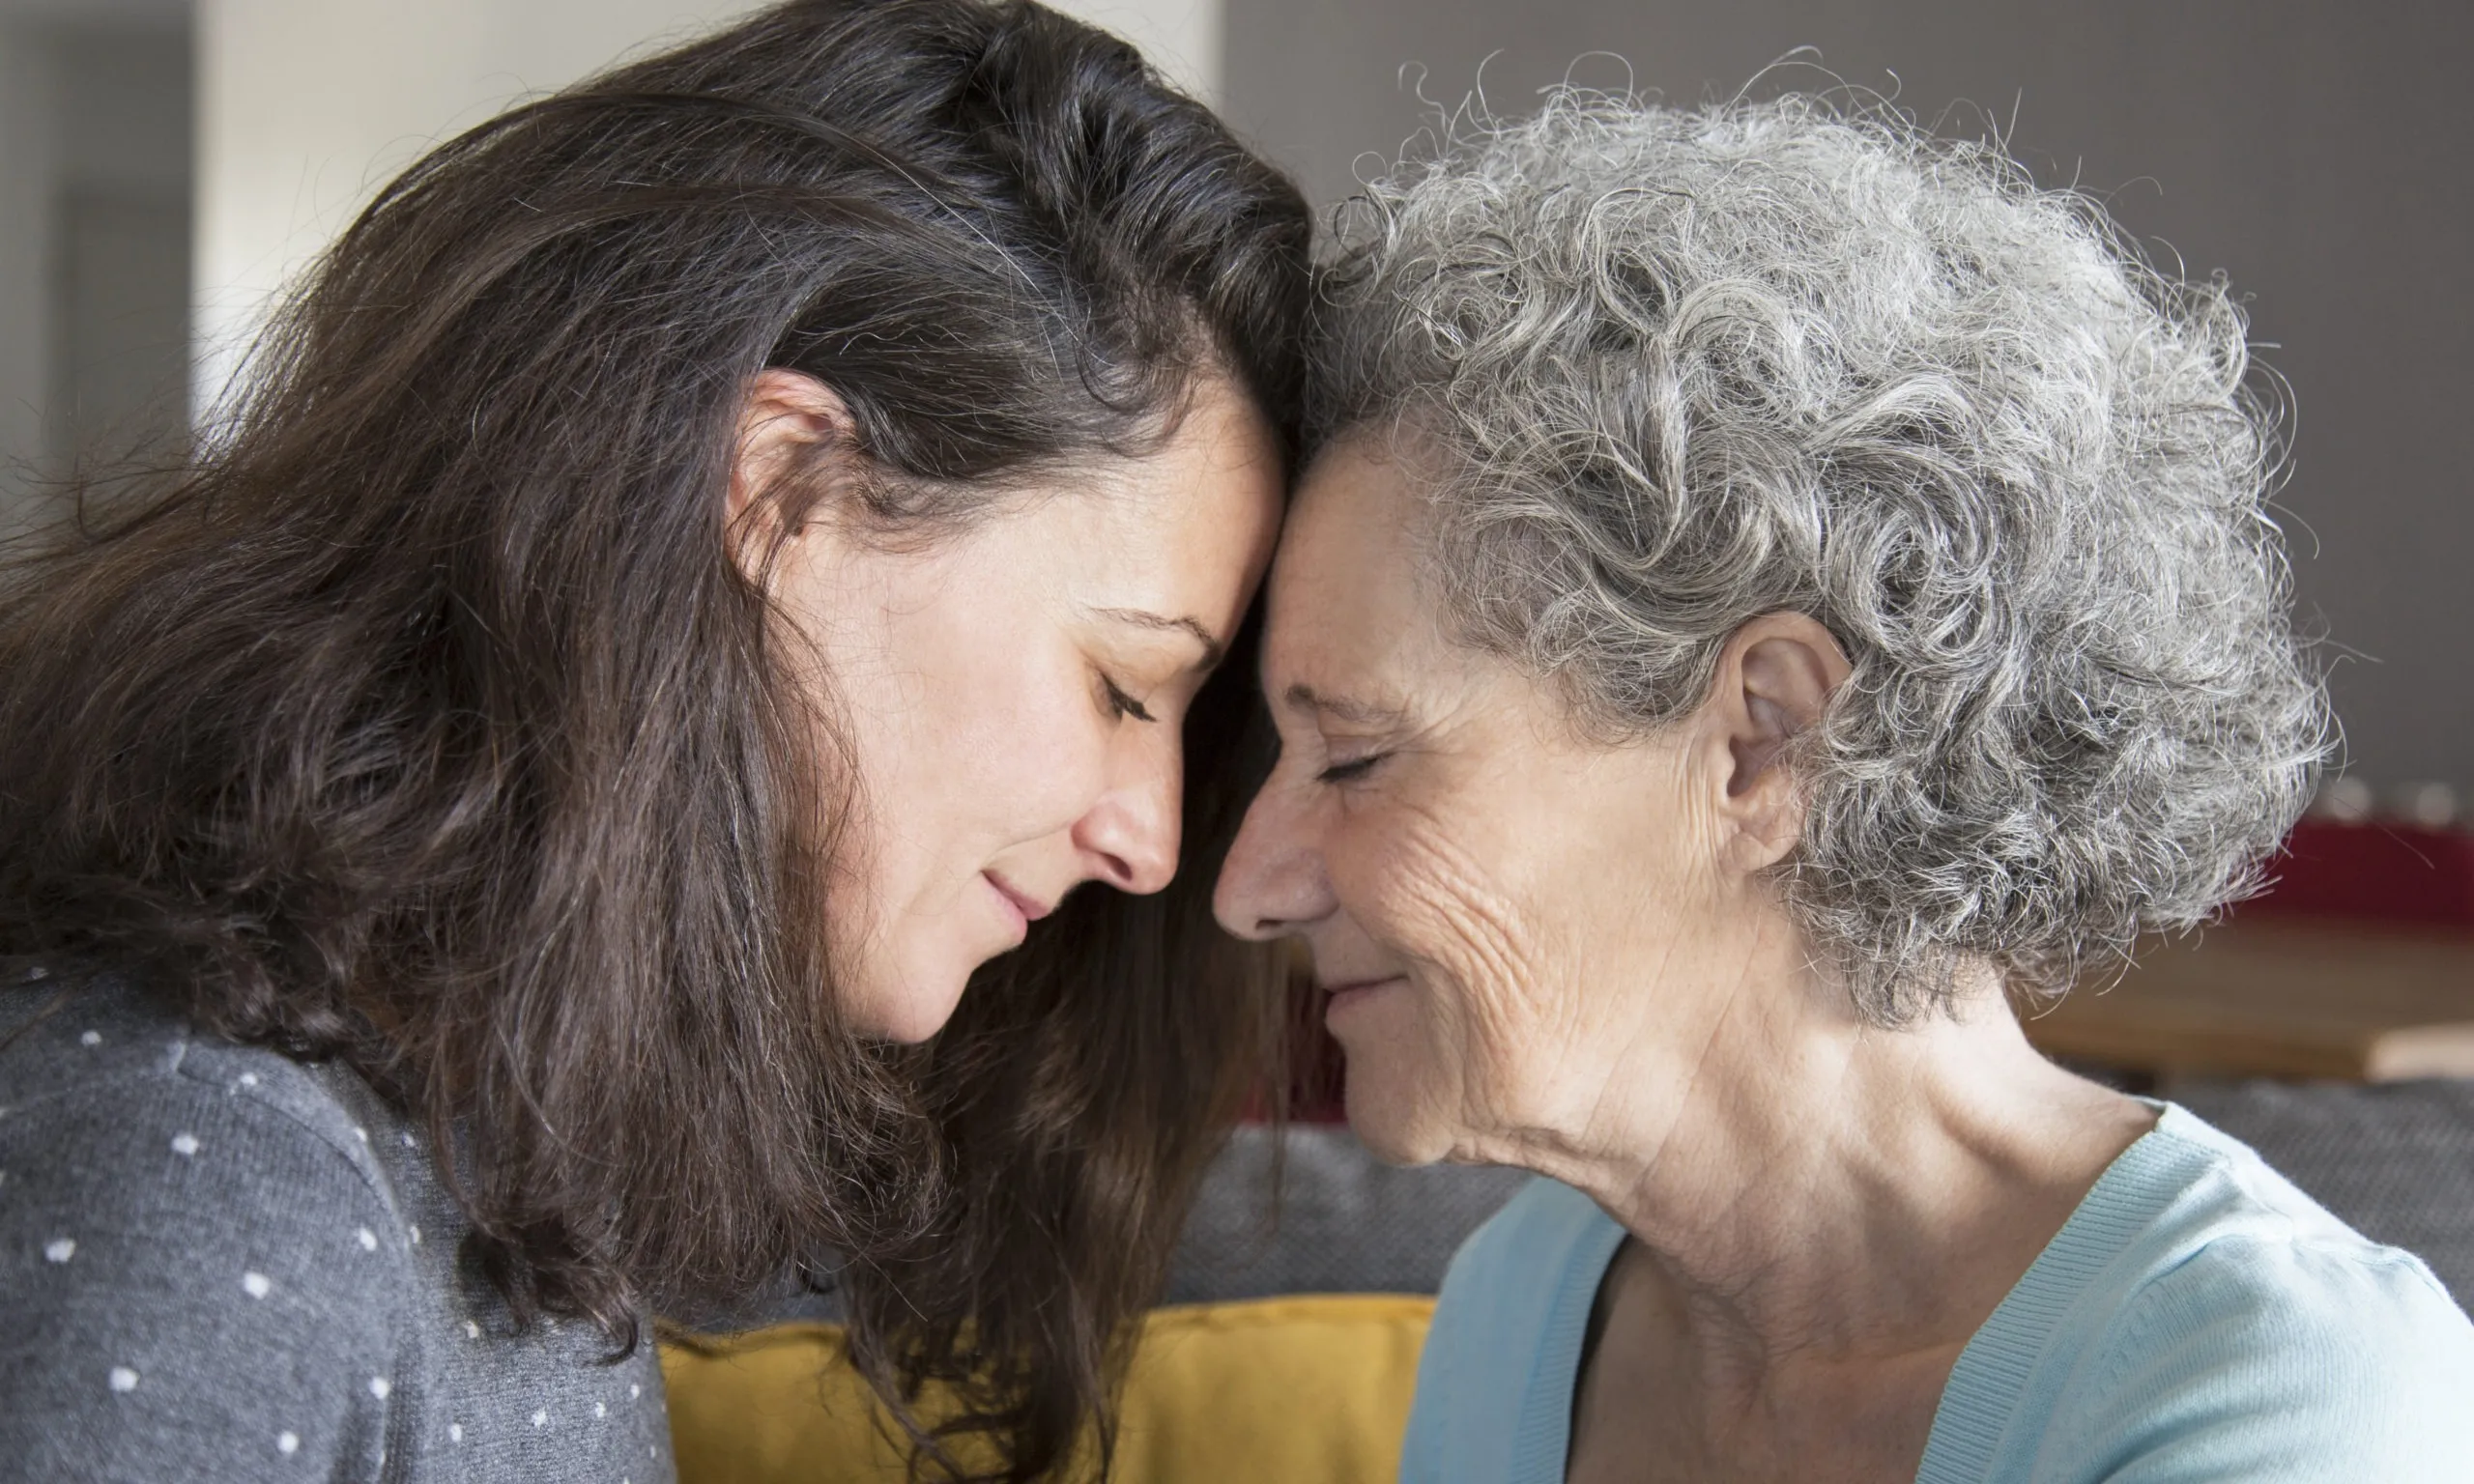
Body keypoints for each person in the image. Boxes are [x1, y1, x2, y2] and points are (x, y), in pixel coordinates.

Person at [0, 2, 1309, 1478]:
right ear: (781, 492)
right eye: (1126, 687)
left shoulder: (501, 1115)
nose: (1149, 834)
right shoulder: (208, 1175)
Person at [1214, 93, 2474, 1482]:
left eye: (1358, 756)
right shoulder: (1526, 1309)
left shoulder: (2284, 1400)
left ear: (1763, 744)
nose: (1248, 885)